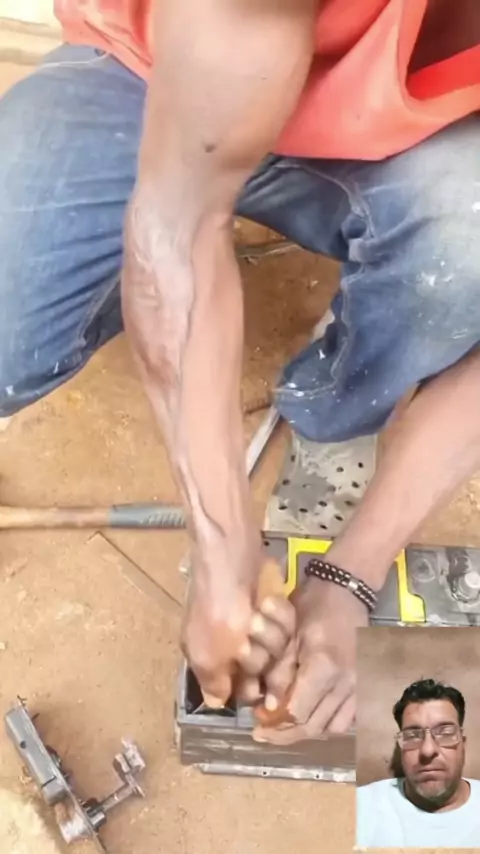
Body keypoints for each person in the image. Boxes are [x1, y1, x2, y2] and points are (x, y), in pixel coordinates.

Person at [1, 1, 480, 743]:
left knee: (467, 235)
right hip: (156, 81)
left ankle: (337, 413)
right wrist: (222, 543)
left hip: (408, 139)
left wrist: (351, 575)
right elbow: (179, 224)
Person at [356, 679, 480, 847]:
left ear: (462, 744)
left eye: (445, 733)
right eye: (413, 735)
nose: (427, 751)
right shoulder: (361, 807)